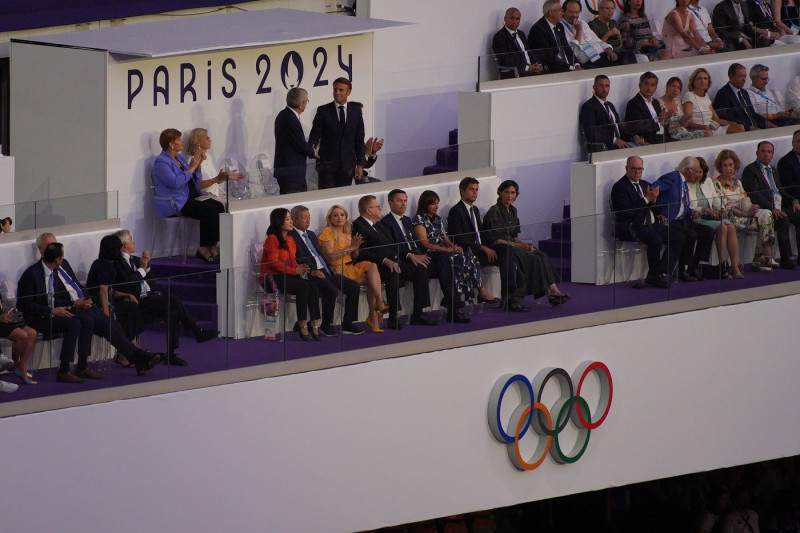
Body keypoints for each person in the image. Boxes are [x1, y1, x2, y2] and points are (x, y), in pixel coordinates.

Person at [16, 234, 161, 381]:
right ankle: (136, 357)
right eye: (50, 246)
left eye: (57, 245)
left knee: (107, 322)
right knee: (87, 321)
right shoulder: (33, 273)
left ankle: (135, 357)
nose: (56, 250)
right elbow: (31, 302)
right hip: (57, 311)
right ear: (41, 250)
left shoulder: (63, 264)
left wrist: (86, 298)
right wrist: (71, 305)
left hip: (78, 305)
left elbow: (75, 285)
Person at [112, 229, 219, 366]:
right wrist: (142, 270)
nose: (134, 242)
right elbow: (126, 284)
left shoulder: (137, 260)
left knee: (172, 311)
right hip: (134, 302)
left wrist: (147, 268)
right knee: (172, 300)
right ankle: (196, 330)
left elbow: (152, 282)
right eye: (131, 240)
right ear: (124, 244)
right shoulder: (117, 263)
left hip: (148, 297)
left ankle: (171, 354)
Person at [352, 195, 437, 330]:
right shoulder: (358, 225)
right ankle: (393, 316)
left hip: (395, 261)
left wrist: (409, 255)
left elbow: (394, 245)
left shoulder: (379, 225)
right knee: (393, 272)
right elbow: (362, 252)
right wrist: (385, 260)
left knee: (420, 269)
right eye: (377, 206)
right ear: (368, 210)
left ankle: (418, 313)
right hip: (376, 266)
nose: (380, 208)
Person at [412, 190, 500, 319]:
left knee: (468, 257)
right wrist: (446, 250)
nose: (436, 206)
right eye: (432, 204)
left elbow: (446, 240)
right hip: (432, 255)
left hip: (445, 254)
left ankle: (460, 299)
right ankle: (468, 297)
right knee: (457, 260)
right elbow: (425, 244)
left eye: (437, 203)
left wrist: (453, 247)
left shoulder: (439, 220)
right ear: (425, 205)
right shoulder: (419, 220)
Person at [482, 180, 571, 307]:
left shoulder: (513, 210)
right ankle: (550, 294)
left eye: (513, 193)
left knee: (541, 255)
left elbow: (514, 236)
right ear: (500, 193)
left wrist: (526, 245)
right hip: (500, 248)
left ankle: (554, 290)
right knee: (533, 259)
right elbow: (495, 240)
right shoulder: (494, 211)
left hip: (513, 246)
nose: (509, 195)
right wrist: (520, 246)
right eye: (506, 192)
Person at [448, 177, 528, 311]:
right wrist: (483, 248)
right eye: (471, 189)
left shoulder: (475, 210)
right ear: (462, 191)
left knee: (507, 250)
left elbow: (482, 234)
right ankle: (508, 299)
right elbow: (458, 238)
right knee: (506, 252)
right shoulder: (456, 211)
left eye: (476, 190)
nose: (475, 193)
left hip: (482, 247)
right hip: (471, 251)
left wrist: (492, 244)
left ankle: (508, 297)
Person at [152, 128, 226, 263]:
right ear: (171, 144)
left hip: (189, 196)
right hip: (175, 201)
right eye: (179, 140)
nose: (182, 142)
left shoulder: (179, 158)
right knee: (208, 210)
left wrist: (198, 166)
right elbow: (175, 183)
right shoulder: (161, 162)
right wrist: (191, 167)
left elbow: (194, 181)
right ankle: (203, 248)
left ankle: (213, 246)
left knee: (218, 207)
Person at [610, 156, 683, 288]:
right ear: (626, 168)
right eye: (634, 169)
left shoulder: (644, 184)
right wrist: (646, 199)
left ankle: (662, 271)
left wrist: (654, 203)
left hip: (650, 223)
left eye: (640, 169)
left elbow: (654, 208)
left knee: (678, 237)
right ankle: (654, 275)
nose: (637, 172)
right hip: (632, 225)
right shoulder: (620, 187)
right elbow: (627, 212)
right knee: (655, 240)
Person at [290, 205, 364, 336]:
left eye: (309, 217)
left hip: (325, 270)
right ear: (294, 220)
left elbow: (321, 256)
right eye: (304, 218)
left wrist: (330, 266)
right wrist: (312, 271)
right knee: (331, 290)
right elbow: (296, 260)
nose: (308, 221)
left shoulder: (311, 234)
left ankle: (347, 323)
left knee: (353, 286)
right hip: (310, 274)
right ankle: (326, 324)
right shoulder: (291, 237)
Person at [318, 204, 385, 333]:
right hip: (338, 269)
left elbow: (353, 254)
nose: (339, 218)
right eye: (335, 215)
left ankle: (377, 308)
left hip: (351, 266)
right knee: (372, 281)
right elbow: (331, 257)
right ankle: (376, 313)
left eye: (342, 215)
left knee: (372, 267)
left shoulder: (347, 231)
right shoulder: (328, 232)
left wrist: (355, 250)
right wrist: (350, 248)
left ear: (346, 217)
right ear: (330, 218)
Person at [260, 208, 322, 341]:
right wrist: (295, 271)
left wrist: (300, 268)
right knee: (303, 286)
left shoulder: (290, 240)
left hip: (286, 275)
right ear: (279, 221)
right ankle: (302, 325)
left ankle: (315, 324)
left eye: (290, 219)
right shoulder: (272, 239)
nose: (291, 222)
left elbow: (292, 261)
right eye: (287, 219)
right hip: (272, 278)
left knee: (313, 285)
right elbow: (274, 264)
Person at [652, 156, 717, 281]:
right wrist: (657, 210)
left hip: (684, 218)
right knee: (690, 234)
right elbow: (654, 188)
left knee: (708, 232)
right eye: (696, 171)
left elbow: (682, 204)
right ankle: (681, 268)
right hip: (670, 221)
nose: (698, 175)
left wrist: (692, 211)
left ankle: (694, 266)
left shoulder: (683, 182)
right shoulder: (672, 178)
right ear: (688, 170)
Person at [713, 149, 777, 272]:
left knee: (766, 214)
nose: (728, 168)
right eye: (725, 165)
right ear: (720, 167)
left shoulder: (738, 183)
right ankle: (761, 258)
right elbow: (726, 207)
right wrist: (745, 213)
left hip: (746, 214)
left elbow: (745, 200)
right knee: (760, 222)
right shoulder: (716, 184)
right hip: (732, 218)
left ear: (735, 165)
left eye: (730, 165)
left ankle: (764, 256)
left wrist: (753, 208)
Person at [743, 141, 800, 269]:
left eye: (769, 152)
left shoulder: (773, 170)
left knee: (798, 215)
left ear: (773, 154)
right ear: (757, 153)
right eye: (763, 151)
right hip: (765, 210)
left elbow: (780, 190)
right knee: (783, 219)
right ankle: (786, 258)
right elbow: (755, 195)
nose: (766, 154)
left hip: (778, 206)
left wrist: (793, 201)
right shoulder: (750, 170)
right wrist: (772, 208)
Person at [86, 234, 145, 349]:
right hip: (99, 305)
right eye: (119, 248)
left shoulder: (108, 263)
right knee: (130, 309)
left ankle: (131, 348)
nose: (121, 251)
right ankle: (130, 349)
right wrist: (106, 317)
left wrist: (127, 294)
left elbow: (109, 290)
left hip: (109, 302)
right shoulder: (104, 264)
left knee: (132, 307)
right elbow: (103, 291)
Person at [689, 157, 742, 279]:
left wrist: (722, 208)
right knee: (722, 227)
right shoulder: (687, 183)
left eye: (700, 172)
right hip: (698, 217)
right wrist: (704, 209)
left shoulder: (707, 181)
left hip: (711, 215)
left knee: (731, 227)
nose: (698, 175)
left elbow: (715, 199)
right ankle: (722, 265)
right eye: (695, 171)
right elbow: (690, 205)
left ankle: (735, 266)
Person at [308, 77, 366, 189]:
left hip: (347, 166)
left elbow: (359, 140)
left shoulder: (356, 111)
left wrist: (360, 164)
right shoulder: (323, 110)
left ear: (348, 92)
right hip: (327, 166)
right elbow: (315, 134)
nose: (337, 93)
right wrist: (312, 147)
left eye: (340, 90)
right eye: (335, 90)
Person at [273, 88, 319, 194]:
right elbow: (299, 143)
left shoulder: (285, 115)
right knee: (294, 206)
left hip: (291, 172)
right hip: (291, 173)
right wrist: (313, 152)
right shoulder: (289, 118)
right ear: (301, 104)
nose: (307, 104)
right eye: (307, 101)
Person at [185, 128, 244, 202]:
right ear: (198, 142)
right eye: (207, 138)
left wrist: (225, 177)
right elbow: (197, 186)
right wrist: (217, 178)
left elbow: (214, 182)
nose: (210, 140)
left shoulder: (209, 157)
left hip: (218, 194)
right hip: (207, 198)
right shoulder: (192, 160)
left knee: (242, 204)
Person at [683, 67, 745, 136]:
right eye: (699, 79)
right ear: (694, 82)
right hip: (699, 130)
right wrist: (703, 127)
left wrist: (732, 123)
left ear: (708, 82)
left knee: (740, 127)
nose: (703, 81)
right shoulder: (689, 95)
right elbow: (687, 122)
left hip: (712, 128)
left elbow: (717, 120)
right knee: (708, 134)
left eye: (705, 78)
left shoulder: (706, 97)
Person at [580, 75, 631, 153]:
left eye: (607, 86)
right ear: (594, 87)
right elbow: (591, 133)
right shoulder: (589, 106)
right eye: (601, 86)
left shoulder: (610, 105)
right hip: (603, 149)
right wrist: (614, 140)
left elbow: (619, 126)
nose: (604, 89)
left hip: (619, 146)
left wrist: (633, 137)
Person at [561, 0, 618, 68]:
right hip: (587, 61)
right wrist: (579, 31)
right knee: (613, 65)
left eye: (576, 12)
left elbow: (599, 41)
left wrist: (609, 52)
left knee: (628, 55)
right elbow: (573, 53)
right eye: (570, 12)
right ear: (563, 12)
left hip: (600, 54)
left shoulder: (583, 23)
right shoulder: (560, 27)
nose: (574, 15)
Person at [713, 63, 770, 132]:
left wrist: (769, 124)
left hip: (756, 128)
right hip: (742, 131)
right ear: (731, 76)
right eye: (740, 76)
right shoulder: (723, 94)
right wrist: (749, 128)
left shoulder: (744, 92)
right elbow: (729, 119)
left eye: (745, 76)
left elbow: (752, 113)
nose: (743, 79)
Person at [529, 0, 582, 73]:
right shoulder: (538, 29)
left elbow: (567, 49)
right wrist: (570, 67)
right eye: (560, 10)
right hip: (553, 68)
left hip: (567, 66)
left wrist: (576, 65)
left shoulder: (559, 26)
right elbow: (549, 57)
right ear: (551, 12)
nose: (562, 13)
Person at [491, 7, 544, 78]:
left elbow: (528, 52)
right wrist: (527, 68)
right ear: (505, 19)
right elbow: (504, 60)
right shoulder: (499, 37)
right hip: (515, 73)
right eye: (512, 18)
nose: (514, 22)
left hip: (531, 71)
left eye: (517, 19)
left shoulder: (521, 34)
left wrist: (536, 64)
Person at [0, 291, 37, 385]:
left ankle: (22, 366)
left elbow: (1, 306)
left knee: (32, 333)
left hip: (4, 319)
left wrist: (11, 310)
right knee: (22, 335)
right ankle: (15, 365)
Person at [659, 77, 710, 141]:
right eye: (673, 86)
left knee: (708, 133)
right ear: (667, 86)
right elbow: (660, 126)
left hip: (684, 132)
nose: (676, 90)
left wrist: (685, 120)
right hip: (672, 136)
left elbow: (685, 125)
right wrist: (678, 124)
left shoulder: (677, 100)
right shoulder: (659, 102)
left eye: (678, 88)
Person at [624, 71, 667, 145]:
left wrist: (665, 118)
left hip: (662, 137)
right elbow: (640, 127)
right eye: (646, 84)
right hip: (648, 140)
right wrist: (659, 122)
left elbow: (662, 122)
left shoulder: (656, 102)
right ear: (640, 85)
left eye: (652, 85)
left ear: (655, 88)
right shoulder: (634, 103)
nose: (649, 88)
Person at [589, 0, 636, 64]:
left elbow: (621, 44)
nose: (611, 11)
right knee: (627, 56)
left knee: (630, 54)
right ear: (600, 9)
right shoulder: (593, 24)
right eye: (607, 8)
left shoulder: (612, 22)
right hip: (605, 54)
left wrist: (619, 37)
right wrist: (608, 34)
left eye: (612, 8)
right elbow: (596, 46)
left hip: (618, 51)